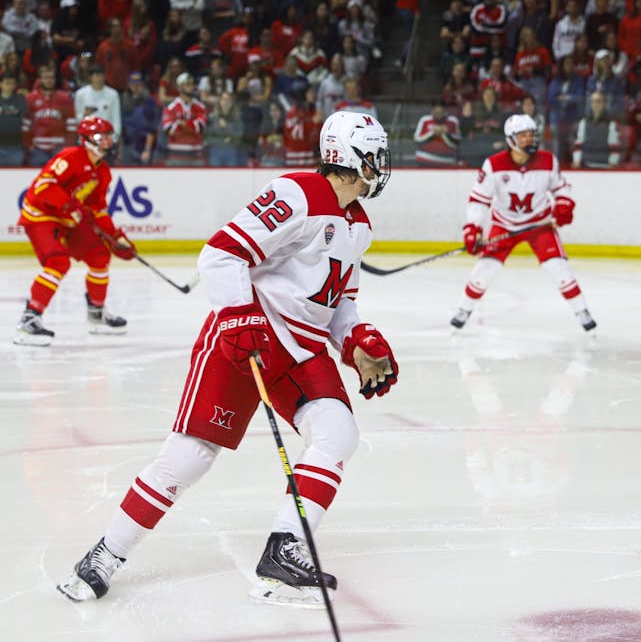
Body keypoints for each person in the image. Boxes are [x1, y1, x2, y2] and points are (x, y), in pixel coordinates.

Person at [57, 111, 398, 608]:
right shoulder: (297, 193)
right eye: (375, 155)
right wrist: (239, 318)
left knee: (339, 432)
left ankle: (286, 547)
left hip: (301, 350)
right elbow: (221, 253)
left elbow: (339, 305)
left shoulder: (358, 224)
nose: (382, 166)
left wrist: (359, 343)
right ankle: (106, 554)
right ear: (345, 155)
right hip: (247, 339)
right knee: (190, 457)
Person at [451, 114, 596, 332]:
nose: (530, 139)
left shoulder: (548, 160)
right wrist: (473, 228)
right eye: (524, 135)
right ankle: (464, 309)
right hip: (504, 226)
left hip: (539, 225)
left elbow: (561, 187)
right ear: (511, 139)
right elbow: (479, 200)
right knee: (483, 272)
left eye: (532, 135)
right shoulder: (494, 165)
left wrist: (564, 205)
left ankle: (582, 311)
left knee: (559, 269)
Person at [14, 116, 136, 346]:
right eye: (102, 137)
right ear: (86, 140)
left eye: (110, 136)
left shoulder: (103, 171)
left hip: (69, 219)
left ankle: (96, 314)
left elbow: (98, 210)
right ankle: (29, 320)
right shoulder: (70, 157)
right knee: (58, 263)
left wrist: (116, 237)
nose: (109, 142)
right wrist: (69, 204)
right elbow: (43, 187)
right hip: (42, 216)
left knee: (100, 256)